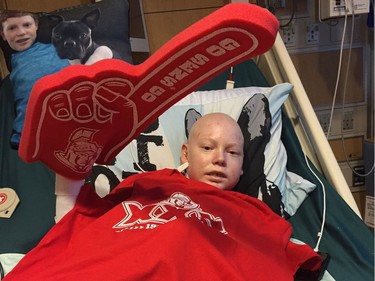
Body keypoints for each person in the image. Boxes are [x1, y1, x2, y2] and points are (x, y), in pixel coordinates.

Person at [0, 10, 70, 149]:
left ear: (36, 26)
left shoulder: (57, 48)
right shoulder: (15, 69)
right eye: (12, 28)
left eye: (27, 25)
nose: (21, 32)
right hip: (39, 132)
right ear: (3, 35)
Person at [180, 112, 244, 191]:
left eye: (232, 152)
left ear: (242, 164)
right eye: (207, 148)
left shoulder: (250, 203)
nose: (220, 159)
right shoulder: (162, 185)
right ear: (186, 154)